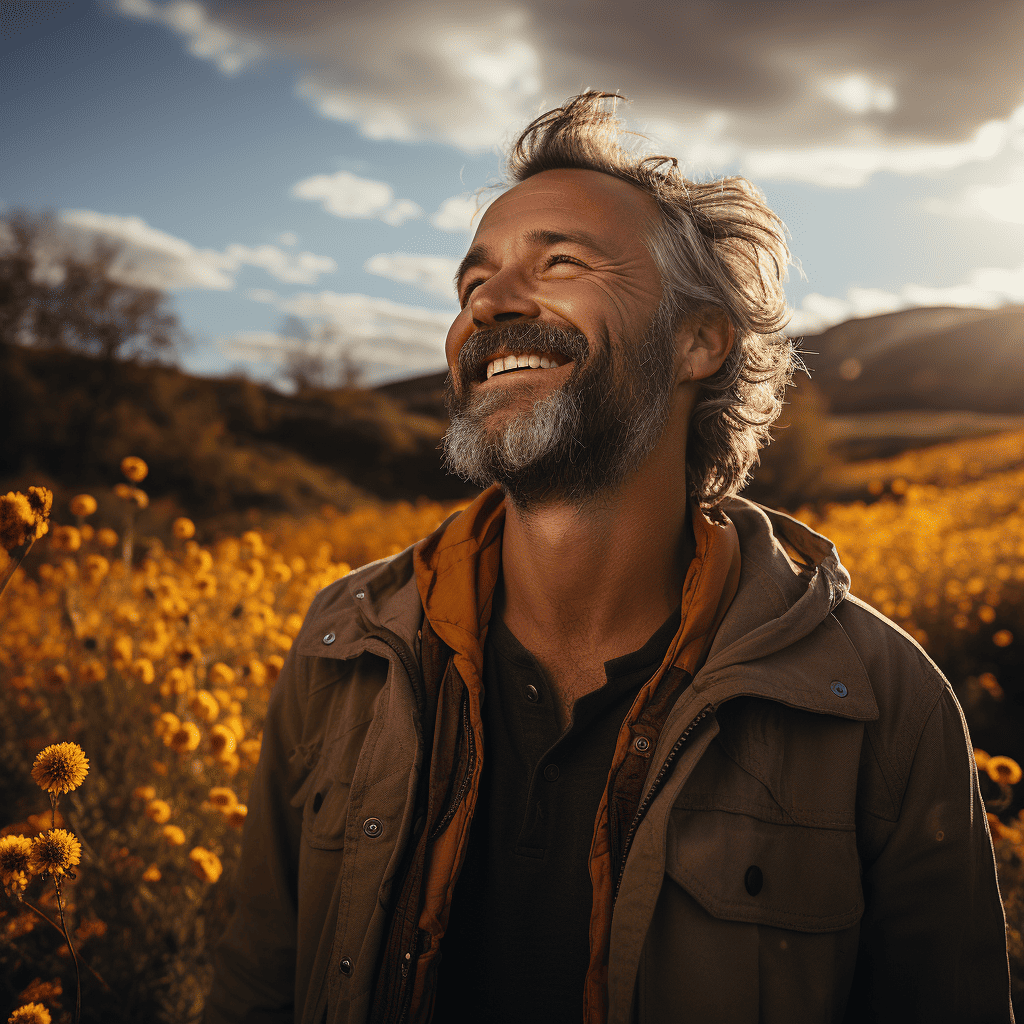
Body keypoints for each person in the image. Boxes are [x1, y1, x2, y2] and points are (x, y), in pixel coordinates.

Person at [205, 91, 1014, 1024]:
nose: (492, 305)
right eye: (472, 286)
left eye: (562, 261)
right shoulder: (345, 646)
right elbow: (258, 984)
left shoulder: (879, 699)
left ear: (698, 340)